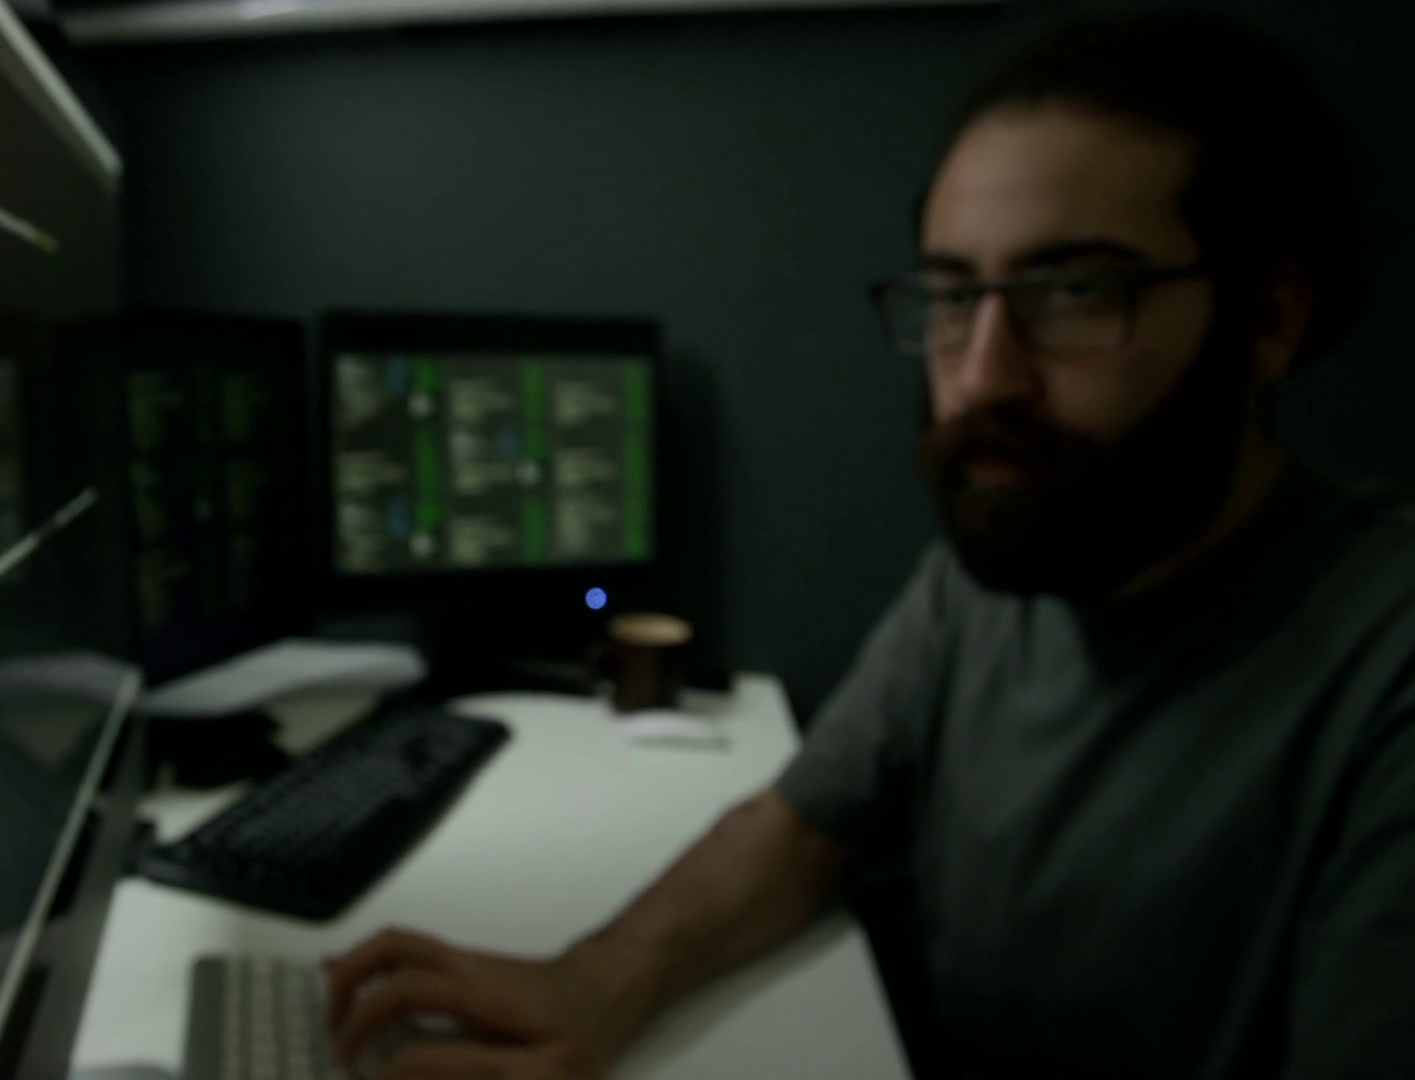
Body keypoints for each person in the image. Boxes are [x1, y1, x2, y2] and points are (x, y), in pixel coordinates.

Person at [322, 10, 1415, 1079]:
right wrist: (596, 980)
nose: (980, 377)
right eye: (952, 298)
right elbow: (802, 831)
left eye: (1076, 292)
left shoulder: (1384, 669)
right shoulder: (987, 583)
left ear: (1267, 320)